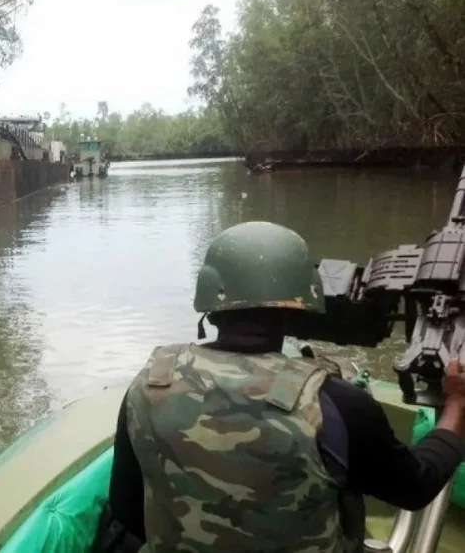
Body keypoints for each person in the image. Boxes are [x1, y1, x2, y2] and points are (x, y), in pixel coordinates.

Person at [92, 221, 465, 553]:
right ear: (296, 308)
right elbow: (416, 487)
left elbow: (127, 508)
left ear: (211, 304)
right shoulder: (336, 404)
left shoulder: (151, 383)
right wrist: (455, 405)